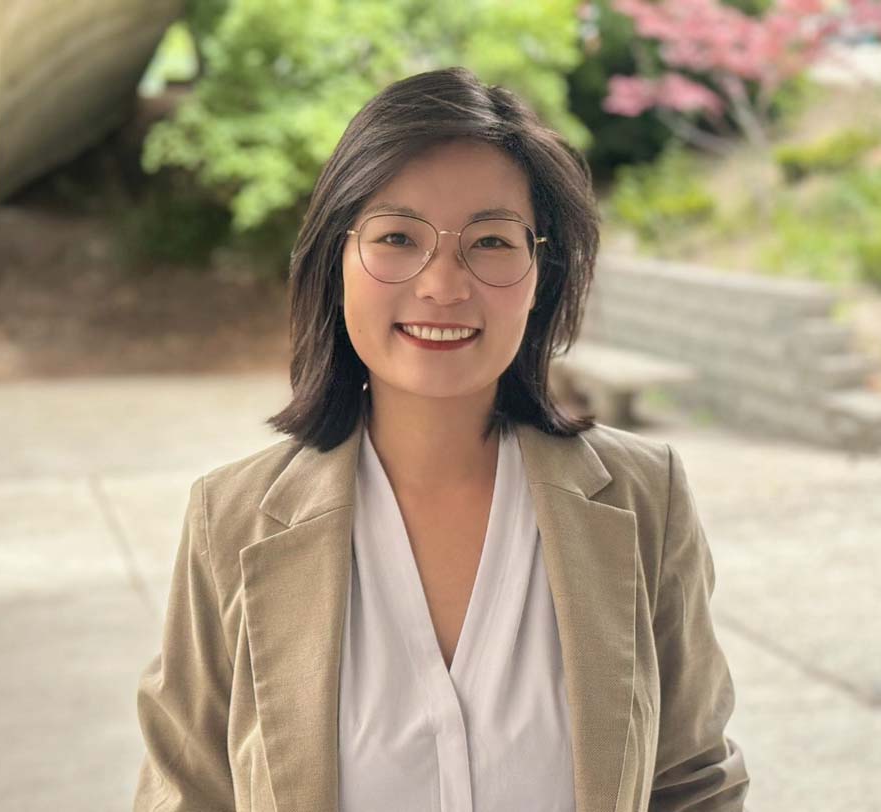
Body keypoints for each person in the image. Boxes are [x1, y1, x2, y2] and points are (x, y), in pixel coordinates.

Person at [133, 66, 749, 812]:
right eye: (397, 237)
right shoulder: (229, 520)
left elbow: (691, 782)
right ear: (337, 260)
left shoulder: (644, 500)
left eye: (490, 242)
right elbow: (185, 792)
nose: (443, 284)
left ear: (540, 275)